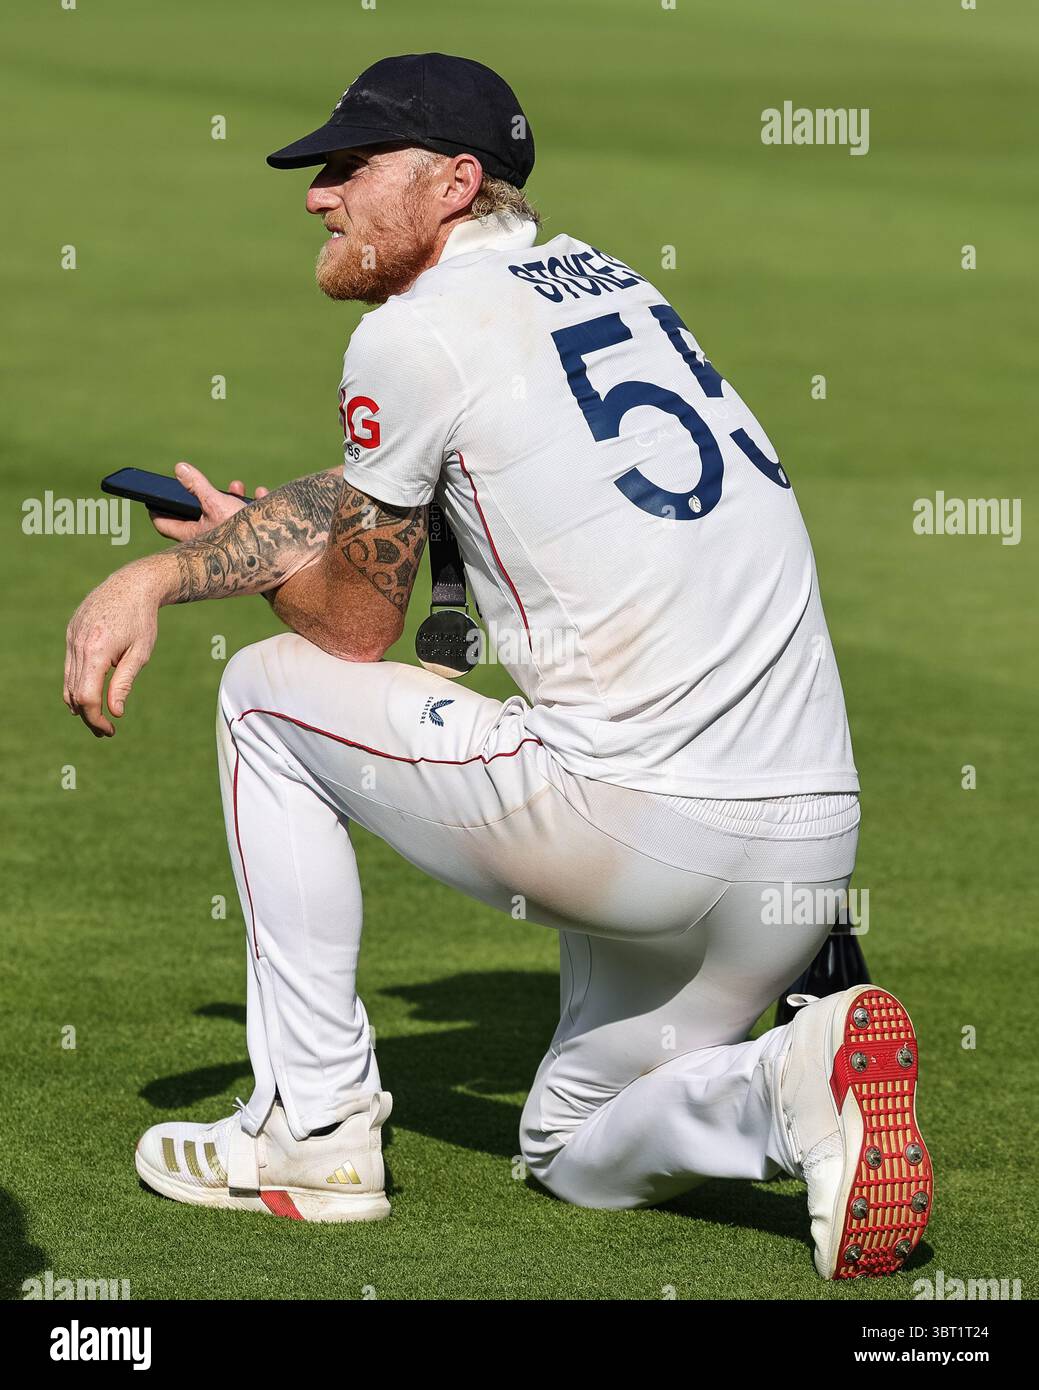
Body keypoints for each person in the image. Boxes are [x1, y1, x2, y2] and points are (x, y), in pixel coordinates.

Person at [63, 53, 931, 1278]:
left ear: (455, 182)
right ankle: (785, 1082)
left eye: (350, 169)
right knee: (570, 1144)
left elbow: (354, 627)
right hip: (803, 853)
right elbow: (386, 490)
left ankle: (310, 1134)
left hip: (636, 827)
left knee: (261, 695)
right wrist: (221, 551)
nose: (319, 195)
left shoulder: (410, 333)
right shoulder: (608, 285)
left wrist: (173, 575)